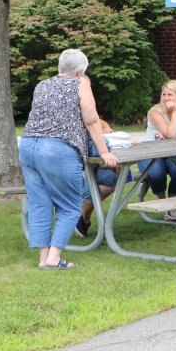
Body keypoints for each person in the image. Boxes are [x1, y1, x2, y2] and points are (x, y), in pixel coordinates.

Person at [19, 48, 118, 270]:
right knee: (70, 206)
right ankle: (54, 258)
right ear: (80, 70)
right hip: (57, 150)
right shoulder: (80, 83)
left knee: (39, 204)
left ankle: (43, 259)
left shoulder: (42, 85)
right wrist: (104, 153)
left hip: (28, 147)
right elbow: (92, 121)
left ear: (60, 67)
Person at [138, 80, 176, 220]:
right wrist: (174, 112)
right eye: (164, 94)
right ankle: (167, 205)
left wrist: (170, 136)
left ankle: (173, 204)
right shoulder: (155, 112)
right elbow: (171, 134)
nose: (166, 98)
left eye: (170, 94)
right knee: (157, 173)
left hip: (171, 152)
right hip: (149, 152)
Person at [75, 119, 119, 238]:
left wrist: (105, 128)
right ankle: (81, 216)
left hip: (90, 165)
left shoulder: (83, 110)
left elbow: (96, 121)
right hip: (70, 166)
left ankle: (84, 216)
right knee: (91, 194)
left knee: (115, 179)